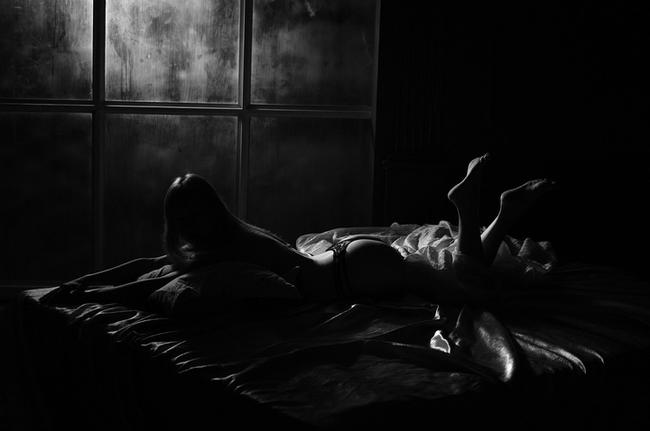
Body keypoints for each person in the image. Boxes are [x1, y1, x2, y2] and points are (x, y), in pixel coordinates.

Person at [42, 153, 555, 308]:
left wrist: (92, 293)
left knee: (470, 294)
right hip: (347, 257)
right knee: (462, 280)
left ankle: (471, 210)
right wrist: (85, 283)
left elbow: (146, 285)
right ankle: (497, 216)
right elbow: (148, 269)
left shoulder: (219, 252)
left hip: (348, 275)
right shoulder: (234, 234)